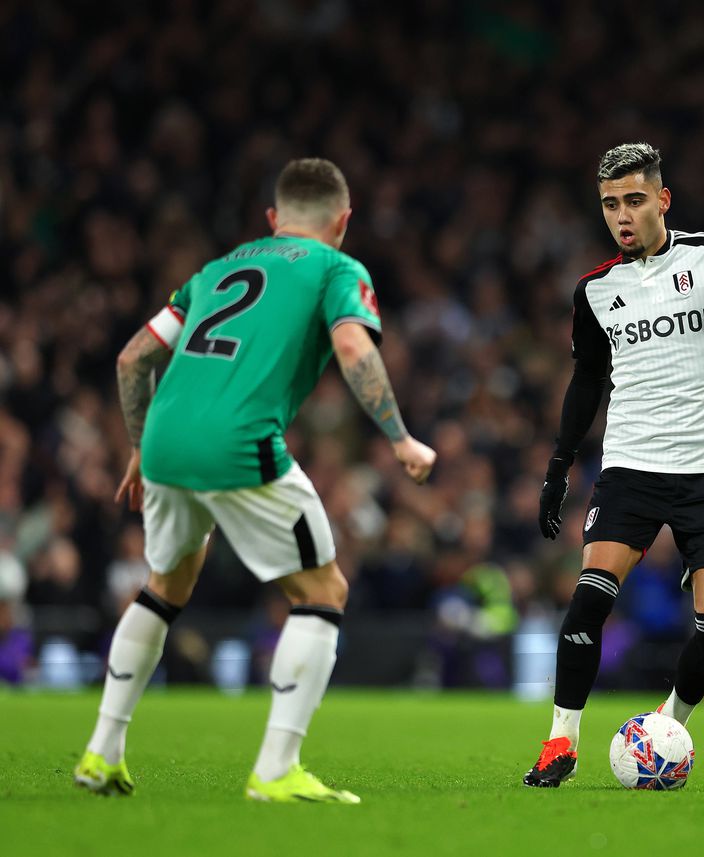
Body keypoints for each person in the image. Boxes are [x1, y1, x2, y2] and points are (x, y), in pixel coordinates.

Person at [74, 158, 437, 803]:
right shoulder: (336, 268)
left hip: (163, 439)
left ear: (274, 220)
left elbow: (134, 357)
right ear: (343, 222)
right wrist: (400, 437)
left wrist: (138, 445)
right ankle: (275, 770)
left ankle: (102, 754)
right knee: (323, 591)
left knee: (165, 587)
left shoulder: (216, 271)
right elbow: (354, 349)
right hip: (238, 441)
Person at [524, 143, 704, 787]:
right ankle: (559, 742)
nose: (622, 215)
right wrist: (558, 467)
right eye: (609, 204)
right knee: (588, 601)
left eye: (634, 200)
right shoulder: (597, 290)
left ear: (662, 199)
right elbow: (586, 382)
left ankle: (665, 728)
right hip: (631, 469)